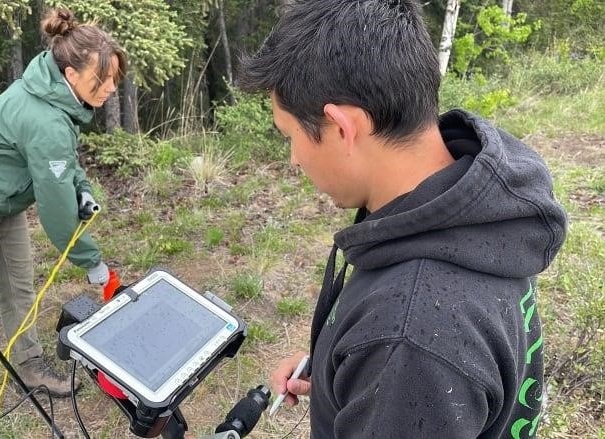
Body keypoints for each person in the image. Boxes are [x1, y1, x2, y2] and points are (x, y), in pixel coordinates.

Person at [236, 1, 567, 437]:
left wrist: (385, 361)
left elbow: (413, 343)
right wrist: (349, 368)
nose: (294, 159)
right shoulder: (468, 209)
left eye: (290, 136)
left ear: (342, 127)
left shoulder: (408, 338)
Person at [0, 7, 126, 438]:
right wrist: (92, 261)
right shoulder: (44, 116)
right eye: (103, 79)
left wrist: (83, 187)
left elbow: (62, 165)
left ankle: (30, 364)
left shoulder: (58, 94)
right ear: (72, 73)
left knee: (20, 286)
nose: (111, 88)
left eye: (114, 78)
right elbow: (57, 214)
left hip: (5, 200)